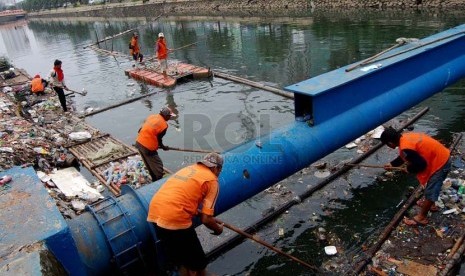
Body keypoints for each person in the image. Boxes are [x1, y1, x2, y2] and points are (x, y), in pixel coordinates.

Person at [147, 152, 224, 276]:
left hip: (155, 212)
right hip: (175, 217)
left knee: (181, 259)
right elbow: (206, 219)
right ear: (216, 168)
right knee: (198, 260)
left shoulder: (189, 168)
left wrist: (192, 209)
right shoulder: (212, 180)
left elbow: (183, 194)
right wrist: (218, 229)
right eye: (220, 170)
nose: (219, 173)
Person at [380, 127, 450, 226]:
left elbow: (421, 165)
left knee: (431, 190)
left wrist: (408, 169)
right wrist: (392, 164)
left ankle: (421, 217)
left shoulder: (405, 147)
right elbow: (406, 155)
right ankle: (431, 205)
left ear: (390, 143)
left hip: (441, 163)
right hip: (439, 155)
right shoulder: (405, 137)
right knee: (430, 185)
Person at [135, 106, 175, 181]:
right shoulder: (164, 125)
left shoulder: (152, 116)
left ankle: (154, 179)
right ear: (166, 116)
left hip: (138, 142)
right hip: (148, 147)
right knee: (158, 166)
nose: (169, 118)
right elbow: (159, 139)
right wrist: (163, 147)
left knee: (149, 164)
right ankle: (158, 182)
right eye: (169, 116)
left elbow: (141, 129)